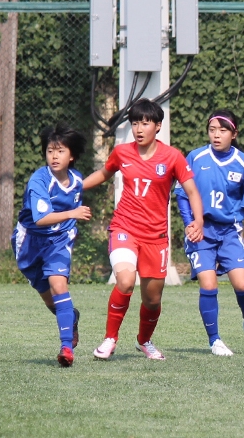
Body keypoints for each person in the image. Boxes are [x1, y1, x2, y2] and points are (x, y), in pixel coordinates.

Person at [83, 98, 204, 361]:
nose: (139, 128)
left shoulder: (172, 157)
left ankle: (144, 341)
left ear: (158, 126)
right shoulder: (122, 152)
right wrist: (76, 187)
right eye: (135, 122)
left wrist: (198, 221)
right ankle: (109, 339)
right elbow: (104, 173)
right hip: (124, 228)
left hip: (156, 237)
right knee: (125, 281)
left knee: (152, 299)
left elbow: (192, 191)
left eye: (145, 123)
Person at [174, 110, 244, 356]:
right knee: (208, 283)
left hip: (230, 232)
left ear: (234, 134)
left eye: (223, 130)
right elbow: (182, 195)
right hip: (201, 231)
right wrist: (191, 223)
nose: (216, 135)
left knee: (242, 284)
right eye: (212, 129)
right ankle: (214, 340)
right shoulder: (195, 157)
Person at [11, 123, 91, 367]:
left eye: (60, 151)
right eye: (50, 151)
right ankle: (71, 318)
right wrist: (72, 213)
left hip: (59, 240)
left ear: (72, 155)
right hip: (30, 242)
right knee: (50, 300)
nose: (54, 156)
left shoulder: (77, 180)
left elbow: (68, 212)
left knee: (59, 286)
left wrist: (70, 218)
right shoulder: (39, 180)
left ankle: (66, 348)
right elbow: (41, 219)